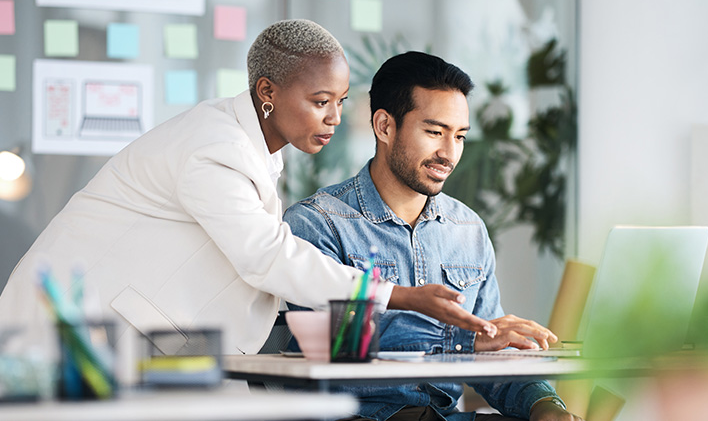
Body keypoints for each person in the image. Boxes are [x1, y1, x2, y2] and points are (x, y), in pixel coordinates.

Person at [0, 21, 495, 364]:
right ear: (268, 92)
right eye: (319, 101)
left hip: (130, 341)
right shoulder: (214, 147)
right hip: (61, 334)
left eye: (341, 102)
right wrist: (404, 296)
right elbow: (266, 257)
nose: (335, 119)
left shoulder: (251, 150)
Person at [284, 51, 583, 421]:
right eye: (434, 132)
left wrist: (546, 406)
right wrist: (464, 341)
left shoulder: (467, 229)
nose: (449, 153)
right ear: (384, 127)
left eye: (459, 136)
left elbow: (494, 355)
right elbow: (341, 353)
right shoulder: (319, 223)